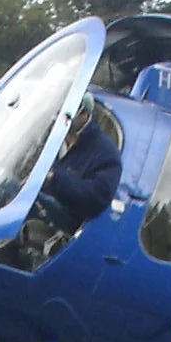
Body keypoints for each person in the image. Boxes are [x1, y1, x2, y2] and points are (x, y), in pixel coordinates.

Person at [36, 99, 121, 239]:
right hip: (42, 202)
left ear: (85, 114)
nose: (63, 117)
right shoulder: (52, 136)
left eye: (71, 113)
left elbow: (98, 196)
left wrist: (55, 180)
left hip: (68, 217)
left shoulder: (106, 151)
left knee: (22, 194)